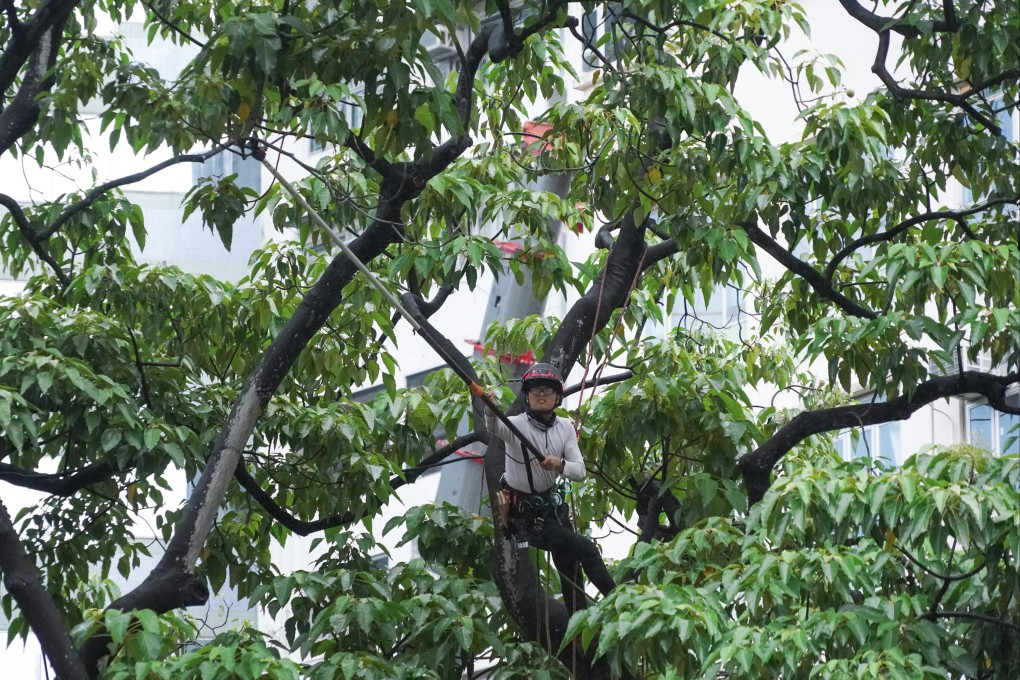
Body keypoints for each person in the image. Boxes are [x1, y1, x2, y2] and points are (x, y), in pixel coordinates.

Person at [482, 362, 615, 613]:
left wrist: (559, 464)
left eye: (547, 390)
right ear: (527, 396)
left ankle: (578, 622)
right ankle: (620, 602)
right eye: (535, 390)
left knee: (570, 565)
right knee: (587, 549)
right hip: (527, 516)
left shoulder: (565, 427)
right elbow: (494, 427)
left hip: (552, 509)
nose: (541, 395)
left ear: (557, 397)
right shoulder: (515, 426)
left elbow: (580, 471)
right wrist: (490, 410)